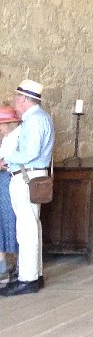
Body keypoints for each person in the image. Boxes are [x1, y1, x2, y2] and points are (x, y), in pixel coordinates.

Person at [0, 79, 54, 296]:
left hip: (25, 177)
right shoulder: (43, 117)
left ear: (24, 98)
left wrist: (6, 158)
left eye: (17, 96)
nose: (15, 100)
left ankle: (27, 279)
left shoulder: (33, 120)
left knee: (26, 229)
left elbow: (29, 153)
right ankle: (35, 274)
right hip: (34, 177)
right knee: (33, 226)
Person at [0, 105, 21, 282]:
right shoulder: (9, 138)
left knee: (10, 221)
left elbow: (7, 162)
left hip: (8, 182)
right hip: (4, 182)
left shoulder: (14, 138)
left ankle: (13, 265)